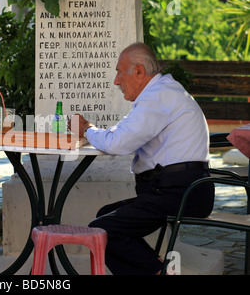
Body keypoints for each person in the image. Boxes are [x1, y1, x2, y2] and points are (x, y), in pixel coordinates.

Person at [70, 42, 215, 275]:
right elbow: (122, 132)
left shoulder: (159, 96)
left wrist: (87, 129)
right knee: (104, 216)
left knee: (102, 229)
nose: (116, 81)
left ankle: (158, 271)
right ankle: (157, 268)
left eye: (119, 71)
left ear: (138, 71)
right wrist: (95, 132)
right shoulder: (159, 94)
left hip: (181, 192)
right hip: (178, 190)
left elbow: (118, 143)